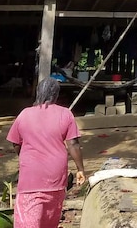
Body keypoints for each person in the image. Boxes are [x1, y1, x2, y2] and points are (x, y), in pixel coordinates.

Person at [7, 77, 86, 228]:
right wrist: (80, 170)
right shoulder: (66, 114)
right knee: (49, 223)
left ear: (38, 93)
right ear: (56, 95)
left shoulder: (25, 114)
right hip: (56, 181)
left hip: (31, 180)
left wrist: (26, 157)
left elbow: (16, 142)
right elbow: (73, 144)